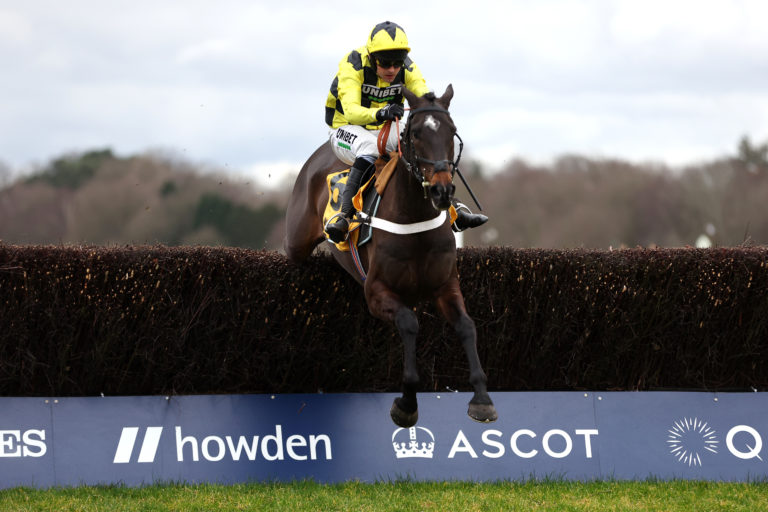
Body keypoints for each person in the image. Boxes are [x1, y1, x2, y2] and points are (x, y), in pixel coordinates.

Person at [324, 20, 488, 243]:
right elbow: (352, 112)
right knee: (369, 147)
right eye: (385, 63)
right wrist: (381, 113)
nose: (392, 69)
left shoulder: (408, 67)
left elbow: (423, 97)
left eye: (397, 62)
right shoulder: (352, 66)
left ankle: (453, 210)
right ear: (372, 57)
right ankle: (344, 215)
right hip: (346, 127)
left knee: (419, 140)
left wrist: (433, 112)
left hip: (383, 126)